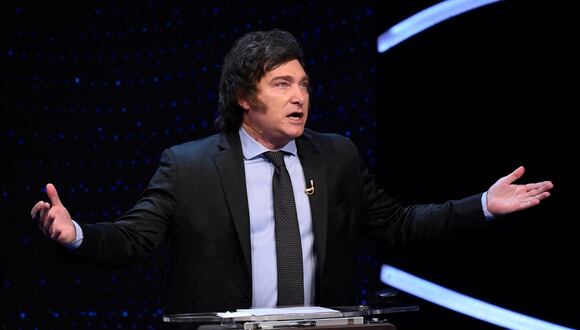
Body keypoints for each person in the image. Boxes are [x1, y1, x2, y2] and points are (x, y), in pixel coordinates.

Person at [30, 30, 553, 315]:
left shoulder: (338, 156)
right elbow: (131, 240)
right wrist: (73, 234)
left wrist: (483, 204)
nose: (299, 95)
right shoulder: (187, 166)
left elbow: (399, 224)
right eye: (281, 84)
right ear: (243, 97)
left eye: (302, 83)